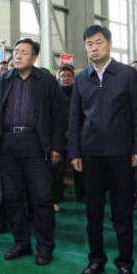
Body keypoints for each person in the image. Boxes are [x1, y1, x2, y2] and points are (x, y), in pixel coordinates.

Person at [69, 25, 137, 274]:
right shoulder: (81, 78)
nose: (93, 48)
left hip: (122, 153)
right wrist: (74, 151)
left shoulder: (126, 74)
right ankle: (96, 259)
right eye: (89, 44)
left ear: (110, 44)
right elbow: (75, 118)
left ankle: (125, 263)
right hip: (90, 154)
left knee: (122, 212)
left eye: (98, 42)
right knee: (93, 212)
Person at [0, 39, 67, 265]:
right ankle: (21, 242)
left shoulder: (46, 81)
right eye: (16, 52)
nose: (18, 56)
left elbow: (58, 115)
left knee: (41, 197)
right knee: (13, 198)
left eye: (24, 52)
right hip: (8, 143)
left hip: (36, 144)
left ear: (34, 57)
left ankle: (45, 246)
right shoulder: (3, 79)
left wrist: (57, 147)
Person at [57, 64, 83, 203]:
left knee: (78, 167)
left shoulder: (79, 93)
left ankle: (82, 195)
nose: (65, 78)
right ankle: (58, 194)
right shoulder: (55, 94)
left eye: (68, 76)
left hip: (76, 136)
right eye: (62, 76)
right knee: (58, 169)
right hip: (59, 136)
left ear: (73, 78)